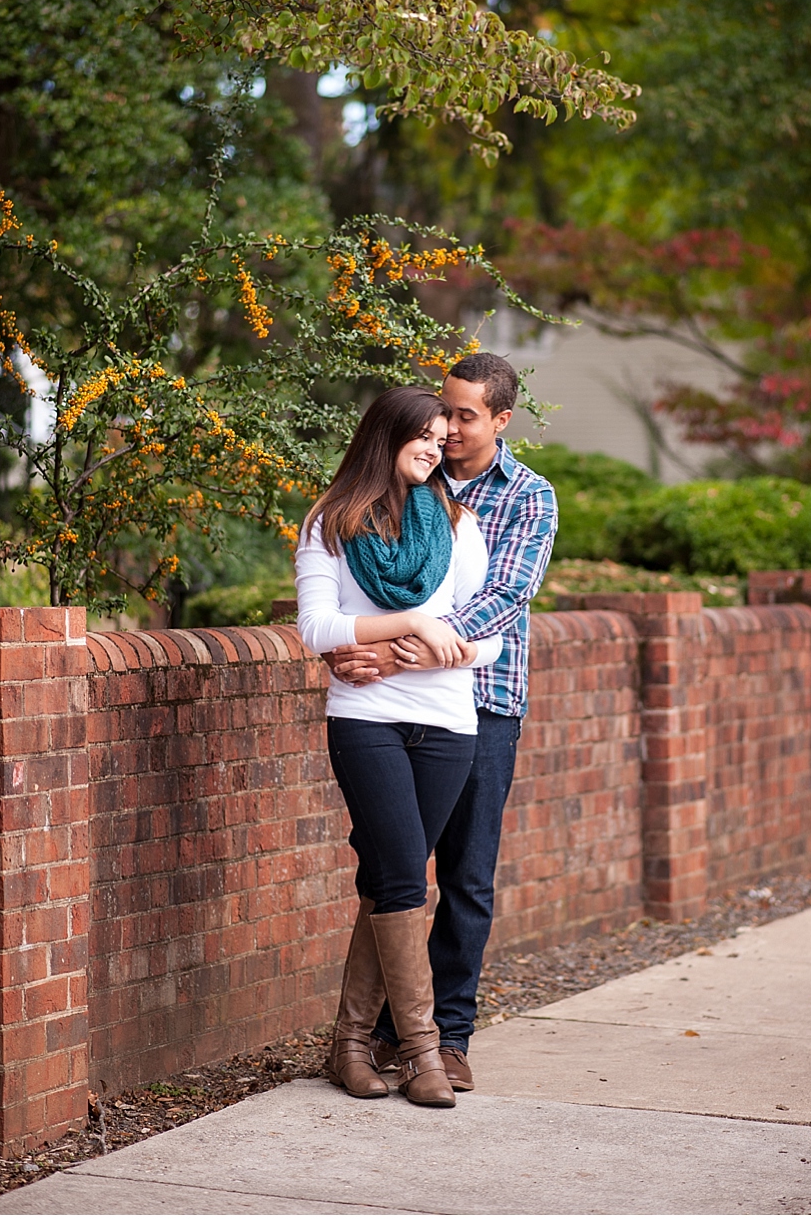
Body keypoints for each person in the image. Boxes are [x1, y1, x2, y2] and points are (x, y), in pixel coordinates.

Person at [327, 352, 558, 1092]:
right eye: (444, 413)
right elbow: (339, 596)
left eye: (466, 416)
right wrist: (347, 647)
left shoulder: (527, 496)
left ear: (499, 419)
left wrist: (395, 653)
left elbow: (502, 599)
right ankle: (372, 1039)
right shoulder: (397, 479)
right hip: (385, 709)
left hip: (482, 701)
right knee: (393, 867)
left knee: (464, 874)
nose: (451, 430)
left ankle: (446, 1037)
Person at [294, 385, 503, 1109]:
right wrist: (419, 620)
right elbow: (319, 630)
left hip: (448, 723)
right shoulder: (332, 523)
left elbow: (489, 638)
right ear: (385, 437)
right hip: (365, 718)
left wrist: (399, 649)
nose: (434, 445)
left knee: (391, 878)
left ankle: (351, 1044)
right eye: (422, 433)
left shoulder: (458, 523)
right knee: (405, 880)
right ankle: (421, 1053)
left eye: (441, 434)